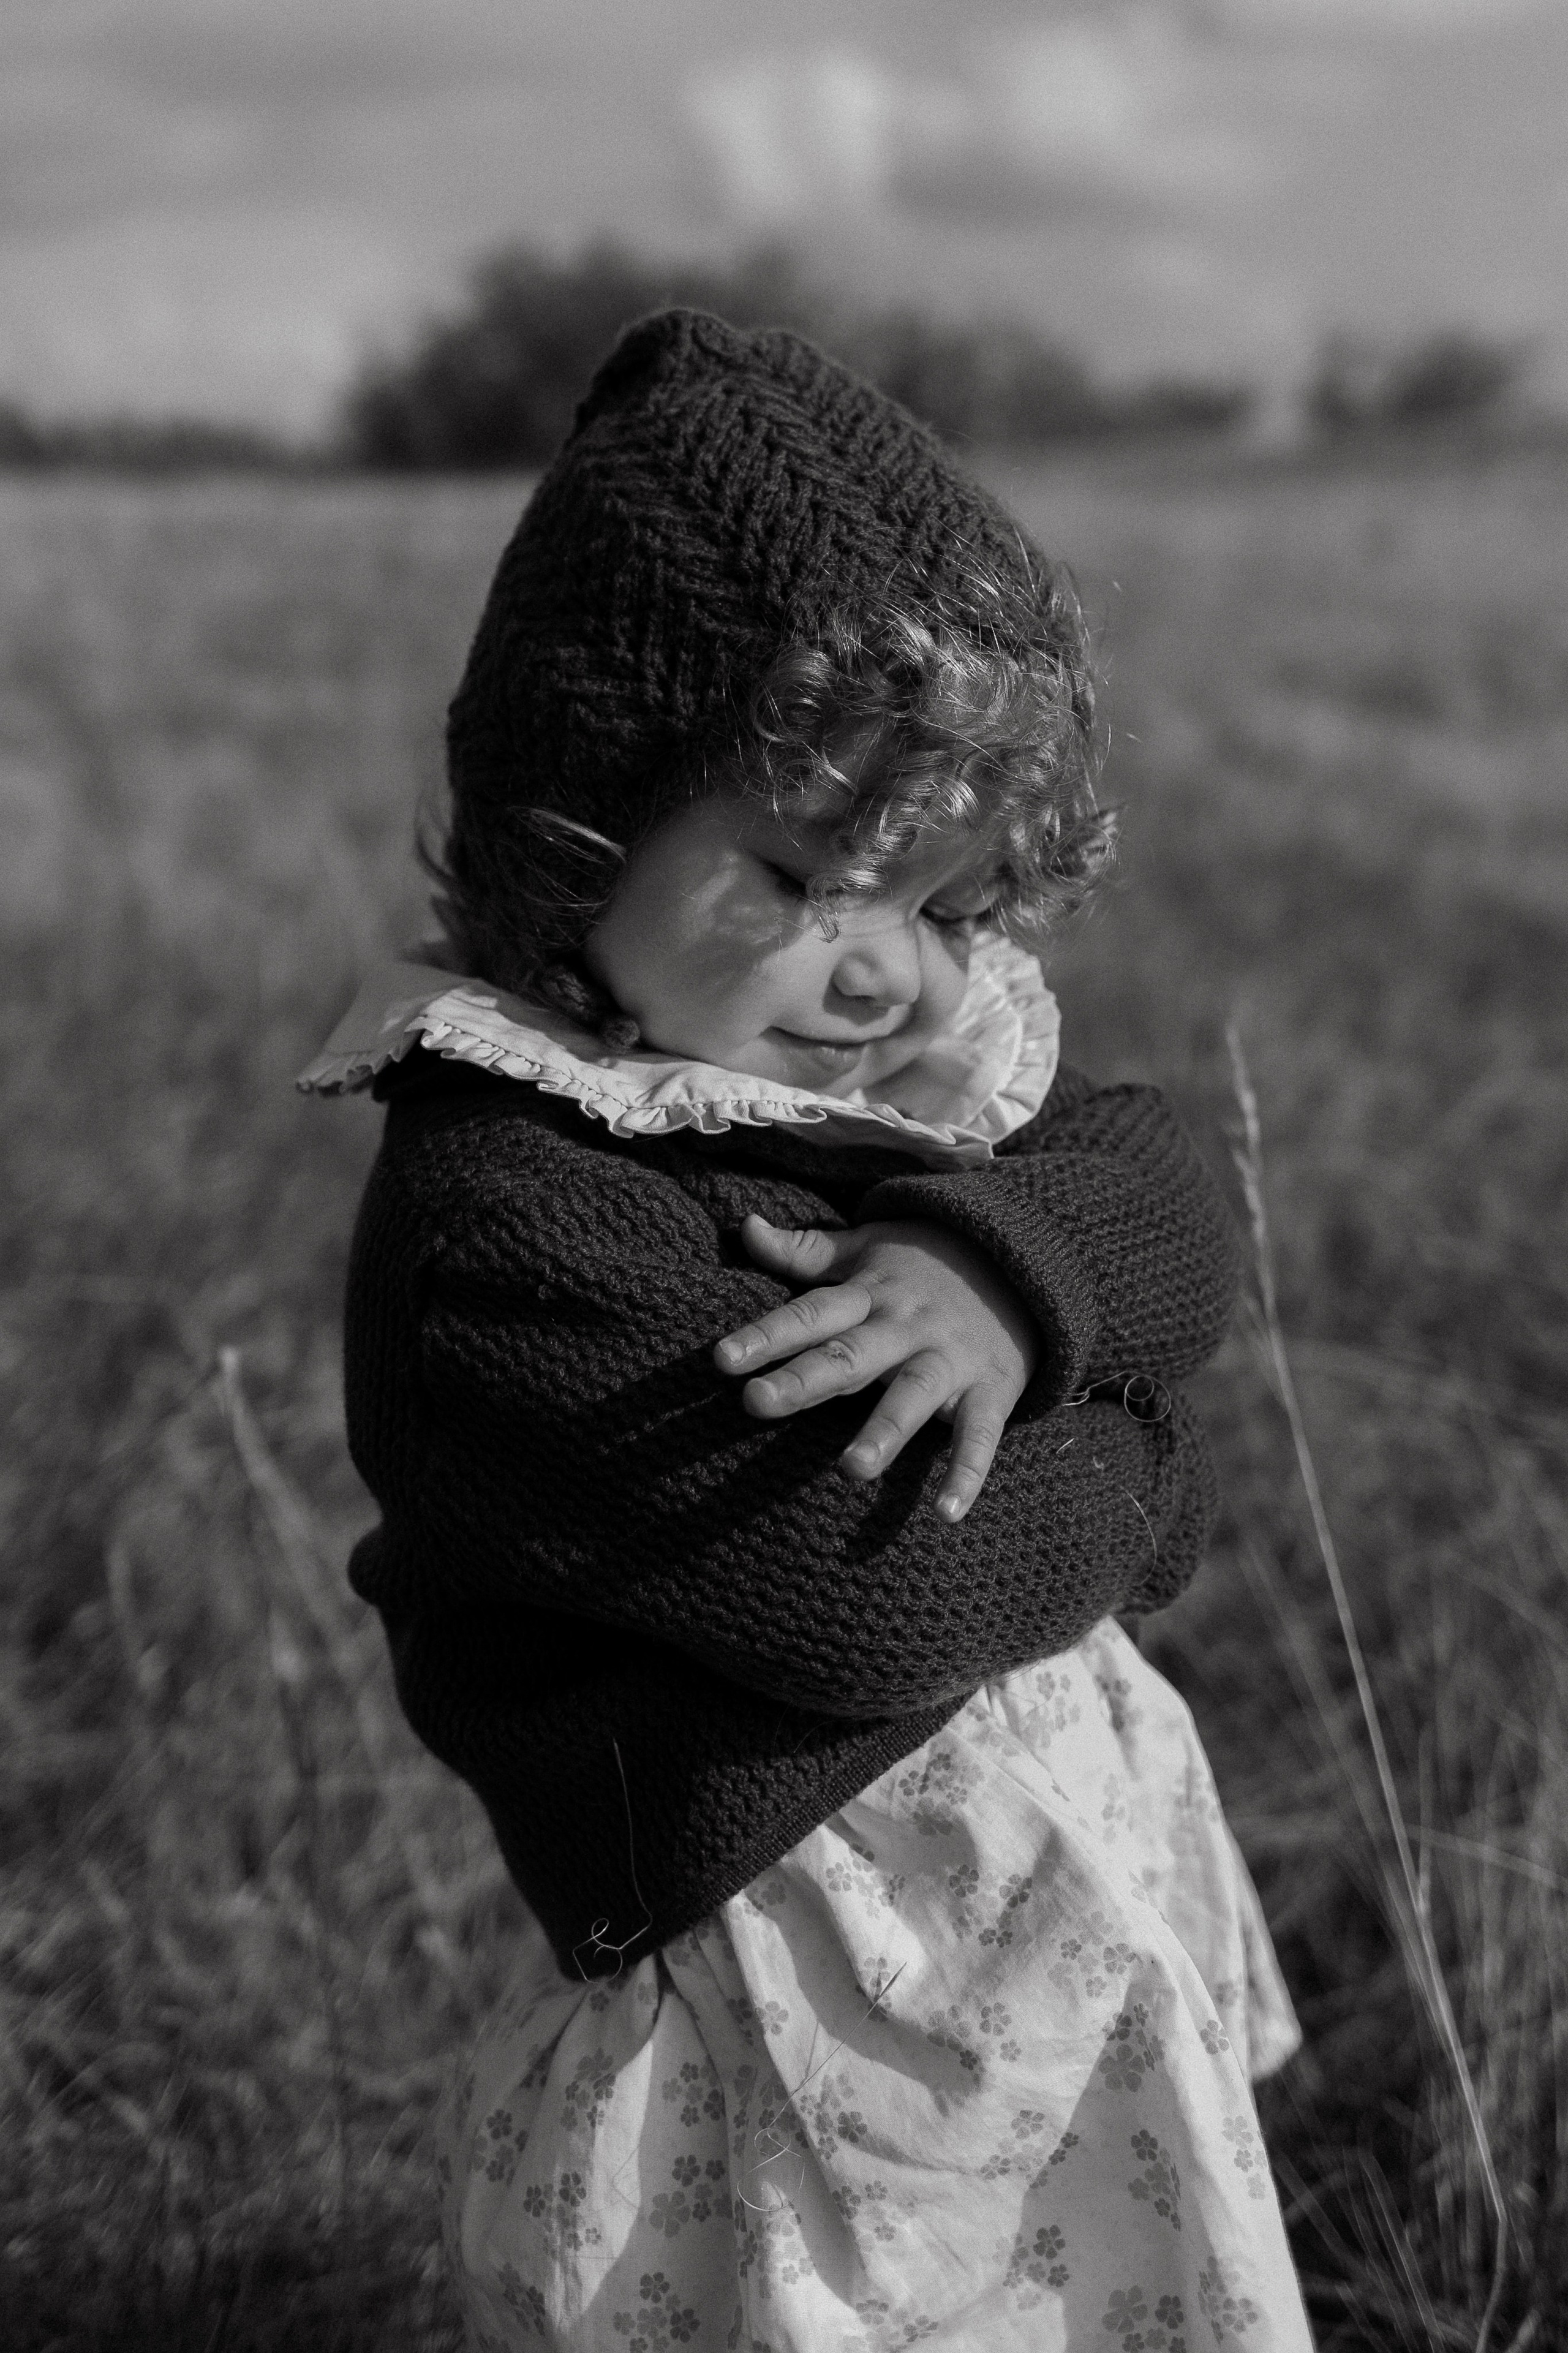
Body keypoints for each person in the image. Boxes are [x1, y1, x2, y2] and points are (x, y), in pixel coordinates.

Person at [301, 309, 1313, 2351]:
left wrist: (1005, 1285)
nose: (888, 975)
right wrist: (1156, 1469)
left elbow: (1164, 1184)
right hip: (791, 2030)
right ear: (575, 838)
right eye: (800, 875)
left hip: (1024, 1958)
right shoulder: (510, 1219)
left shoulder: (885, 1076)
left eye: (944, 902)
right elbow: (873, 1600)